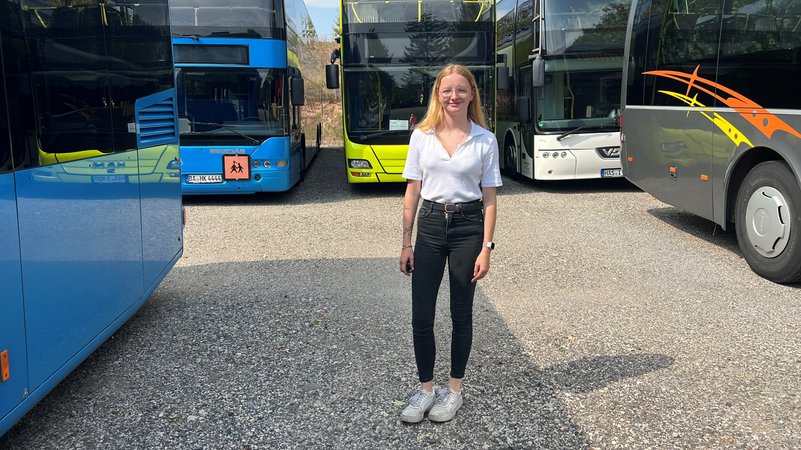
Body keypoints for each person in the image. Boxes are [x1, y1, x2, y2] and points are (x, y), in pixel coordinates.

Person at [398, 64, 502, 423]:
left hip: (468, 226)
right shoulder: (421, 136)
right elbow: (412, 190)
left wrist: (487, 247)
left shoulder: (485, 140)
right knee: (421, 314)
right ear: (437, 95)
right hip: (428, 224)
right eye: (447, 90)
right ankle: (426, 389)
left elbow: (489, 198)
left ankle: (453, 391)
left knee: (461, 313)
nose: (453, 96)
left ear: (472, 93)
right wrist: (406, 241)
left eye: (461, 90)